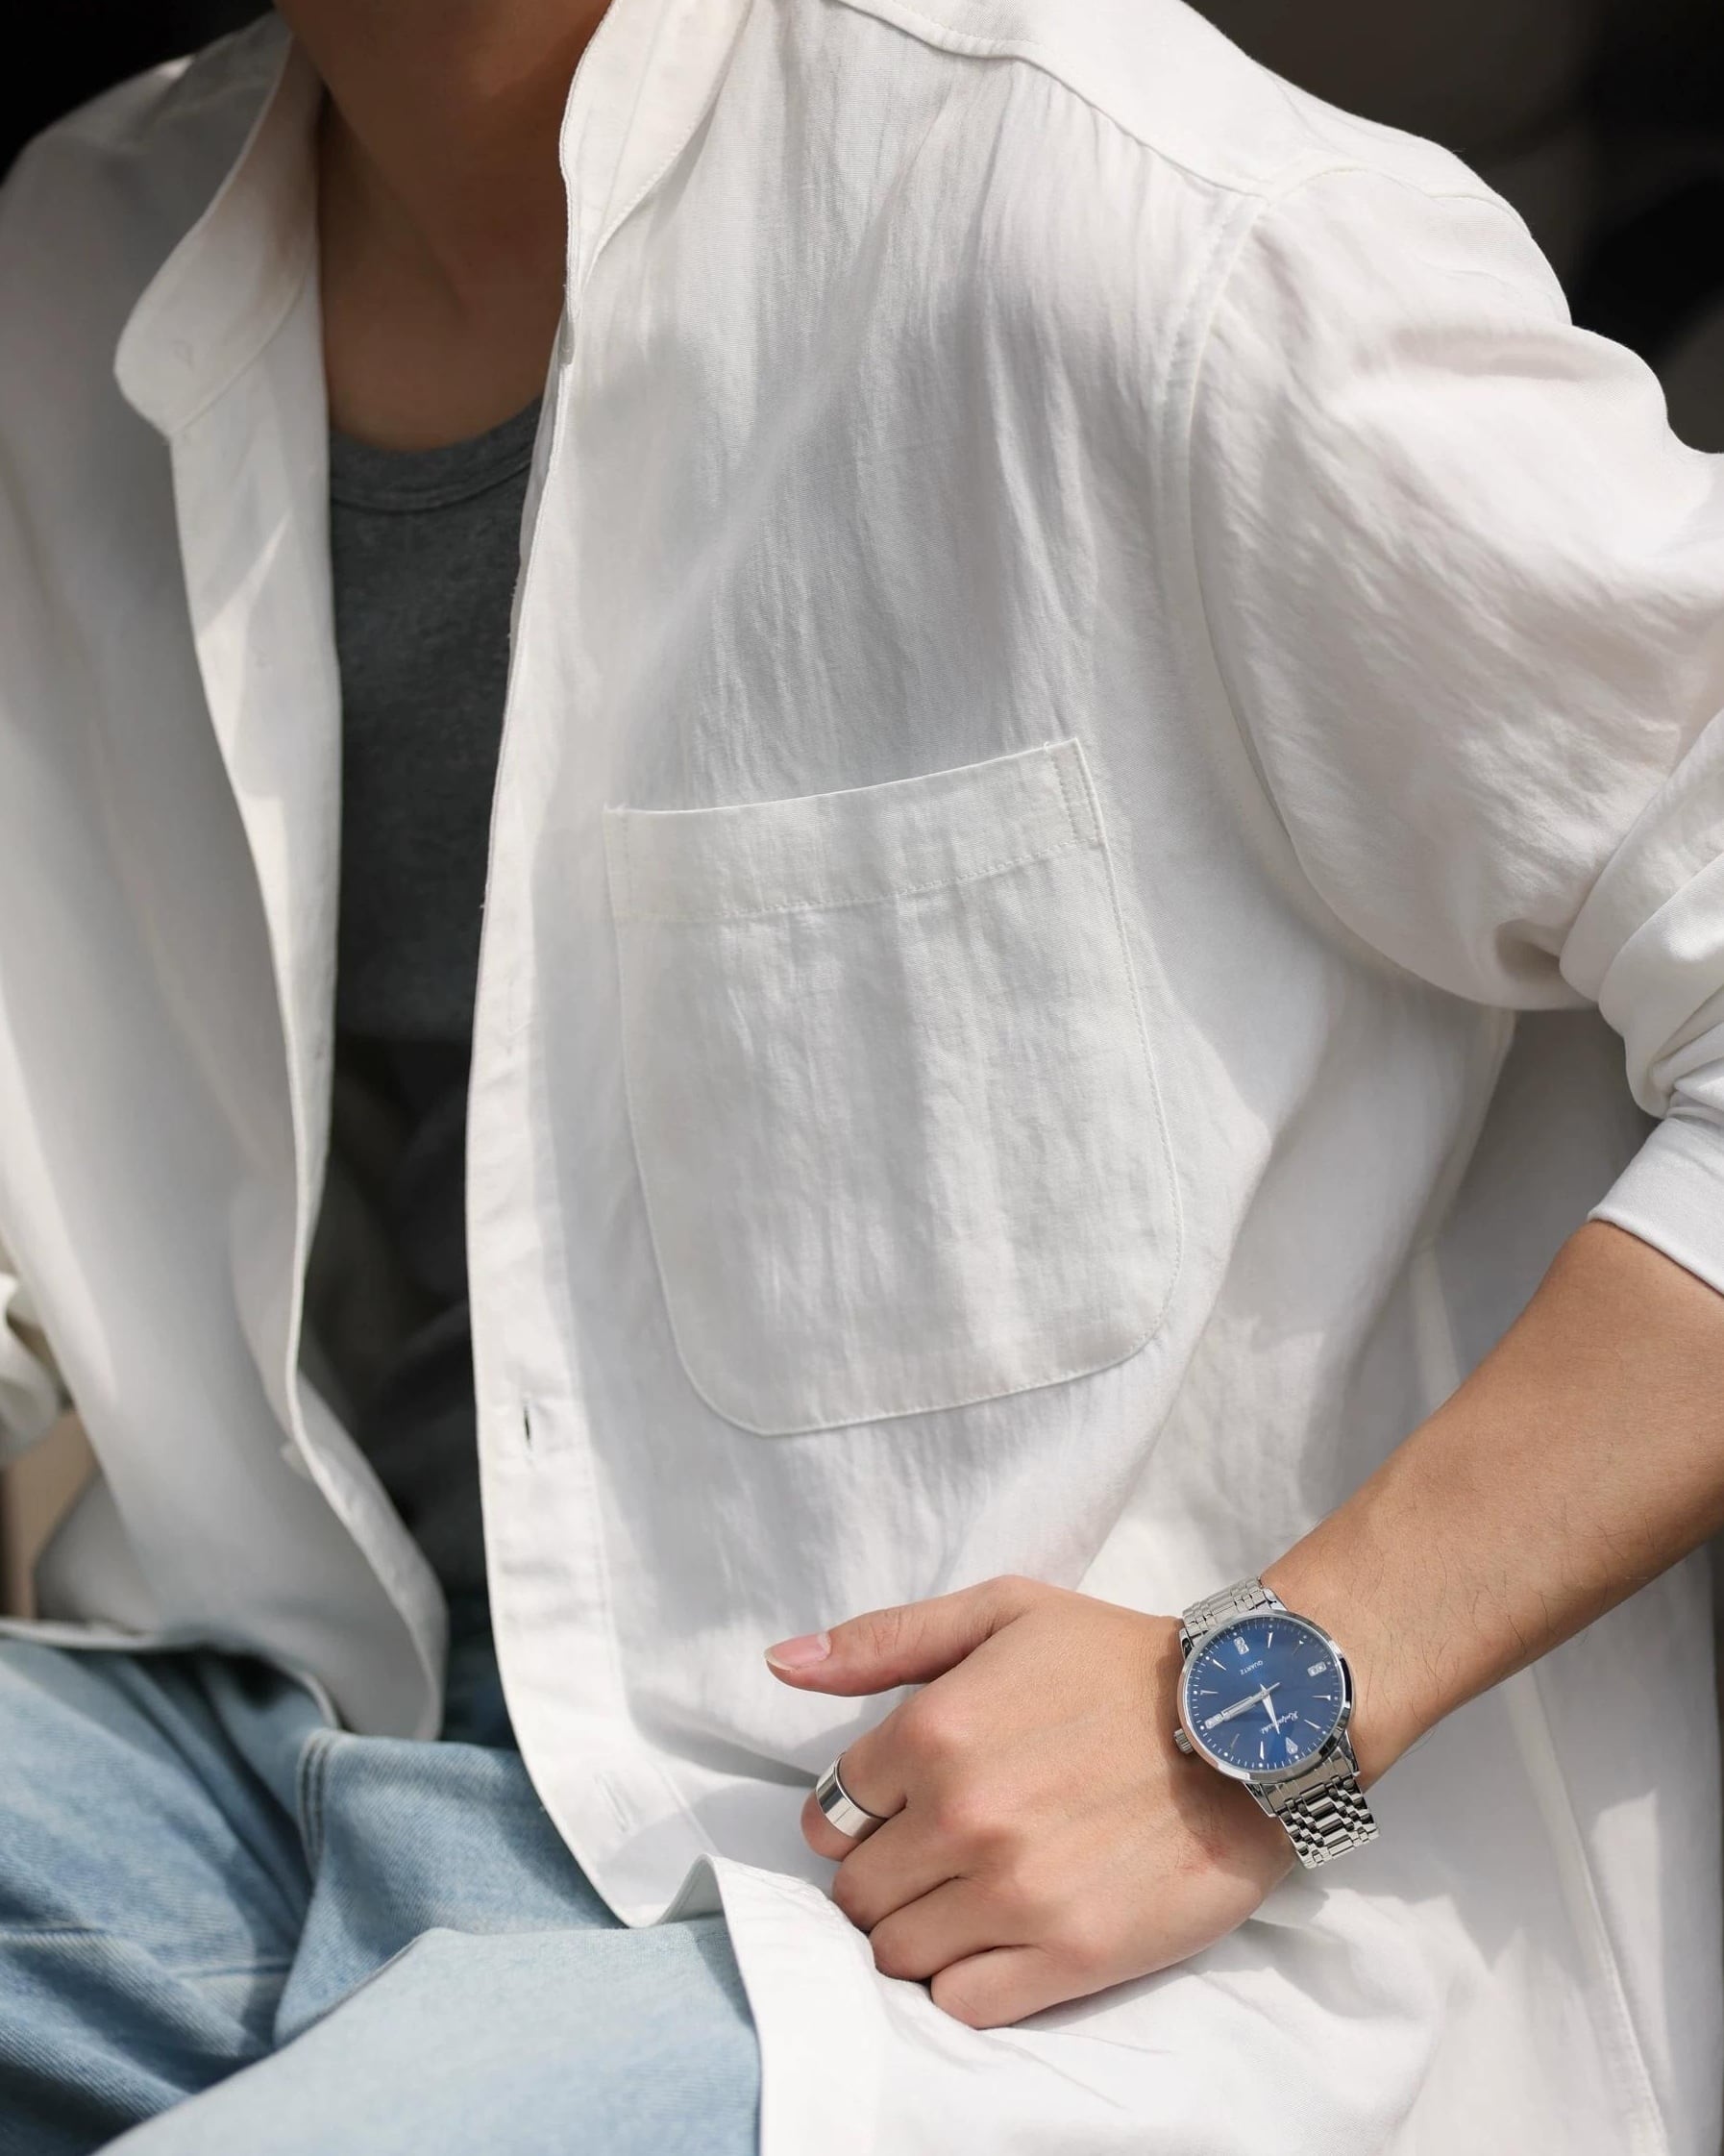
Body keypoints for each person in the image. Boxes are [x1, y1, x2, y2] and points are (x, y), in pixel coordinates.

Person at [1, 0, 1722, 2148]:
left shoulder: (1135, 227)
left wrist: (1271, 1698)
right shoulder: (71, 268)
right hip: (286, 1752)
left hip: (999, 1955)